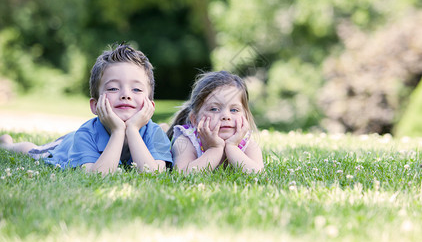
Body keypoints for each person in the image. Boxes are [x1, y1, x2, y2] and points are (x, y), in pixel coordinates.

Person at [0, 43, 172, 175]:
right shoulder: (85, 135)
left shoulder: (154, 133)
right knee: (34, 151)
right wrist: (118, 131)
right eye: (113, 88)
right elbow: (98, 176)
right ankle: (8, 145)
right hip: (66, 146)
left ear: (151, 105)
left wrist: (133, 130)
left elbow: (152, 174)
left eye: (136, 89)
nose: (125, 95)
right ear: (95, 105)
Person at [167, 71, 264, 174]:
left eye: (234, 110)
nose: (226, 116)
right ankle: (164, 128)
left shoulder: (248, 144)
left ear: (245, 116)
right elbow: (182, 174)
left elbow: (258, 174)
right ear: (195, 119)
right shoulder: (187, 141)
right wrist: (215, 148)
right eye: (214, 109)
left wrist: (232, 147)